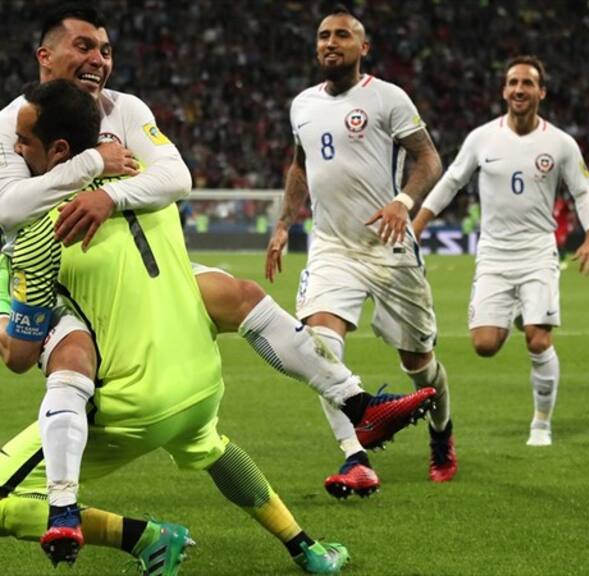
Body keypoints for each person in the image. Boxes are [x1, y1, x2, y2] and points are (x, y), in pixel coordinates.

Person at [0, 4, 434, 520]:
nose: (99, 60)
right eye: (85, 47)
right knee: (65, 363)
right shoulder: (12, 123)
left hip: (144, 264)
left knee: (241, 294)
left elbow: (176, 179)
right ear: (45, 56)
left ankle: (358, 405)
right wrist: (95, 164)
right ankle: (64, 503)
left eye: (106, 50)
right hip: (62, 279)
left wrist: (110, 197)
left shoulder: (127, 109)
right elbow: (10, 209)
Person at [0, 78, 349, 574]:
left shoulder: (38, 231)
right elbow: (174, 177)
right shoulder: (147, 180)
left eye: (22, 143)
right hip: (199, 385)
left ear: (57, 150)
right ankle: (308, 549)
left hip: (128, 403)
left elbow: (18, 354)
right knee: (211, 446)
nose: (13, 150)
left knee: (4, 499)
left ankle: (143, 537)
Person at [265, 6, 455, 496]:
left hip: (389, 248)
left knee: (421, 365)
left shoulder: (387, 97)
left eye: (343, 35)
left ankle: (441, 434)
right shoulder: (302, 105)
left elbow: (428, 157)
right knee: (320, 346)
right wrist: (285, 222)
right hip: (333, 247)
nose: (331, 42)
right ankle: (356, 456)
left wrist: (403, 201)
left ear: (362, 48)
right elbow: (299, 168)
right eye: (324, 35)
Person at [412, 55, 589, 447]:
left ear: (541, 92)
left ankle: (541, 424)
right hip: (494, 255)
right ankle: (521, 313)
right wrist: (417, 223)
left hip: (537, 252)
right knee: (484, 346)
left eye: (527, 83)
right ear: (504, 90)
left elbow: (582, 192)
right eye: (513, 82)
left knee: (538, 340)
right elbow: (451, 182)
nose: (519, 89)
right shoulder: (482, 138)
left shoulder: (561, 143)